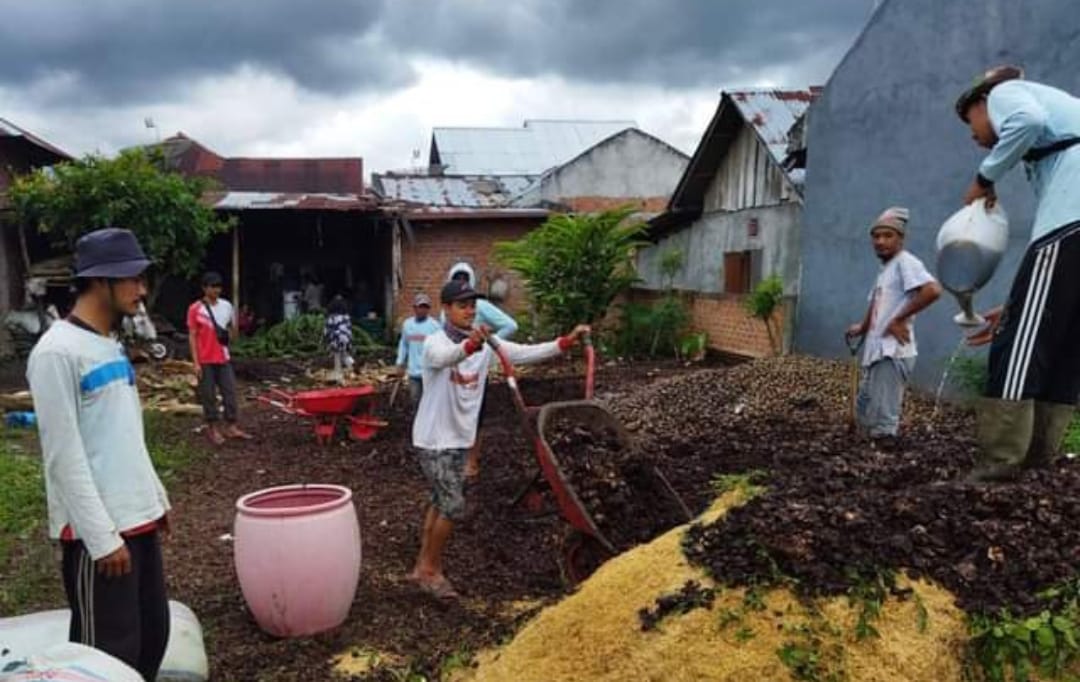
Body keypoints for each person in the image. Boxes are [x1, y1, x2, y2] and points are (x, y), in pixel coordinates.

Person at [27, 228, 172, 681]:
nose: (141, 289)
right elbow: (63, 456)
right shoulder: (56, 353)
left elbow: (123, 434)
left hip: (138, 521)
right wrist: (101, 537)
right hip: (101, 536)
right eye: (131, 278)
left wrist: (156, 498)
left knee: (153, 636)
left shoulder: (108, 344)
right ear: (99, 281)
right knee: (105, 657)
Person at [409, 279, 590, 599]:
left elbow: (524, 353)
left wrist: (565, 342)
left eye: (472, 306)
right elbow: (447, 357)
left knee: (440, 501)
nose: (469, 310)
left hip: (459, 439)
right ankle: (430, 571)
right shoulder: (434, 342)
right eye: (462, 305)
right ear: (447, 309)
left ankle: (422, 563)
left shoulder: (485, 345)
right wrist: (470, 346)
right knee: (452, 505)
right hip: (434, 439)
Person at [956, 66, 1080, 481]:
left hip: (1071, 222)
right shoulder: (1059, 141)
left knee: (1018, 344)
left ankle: (998, 463)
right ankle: (1038, 462)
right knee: (1064, 341)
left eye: (969, 119)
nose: (972, 135)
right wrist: (1017, 306)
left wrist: (983, 177)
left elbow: (1026, 121)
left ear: (981, 101)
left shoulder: (1005, 93)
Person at [845, 207, 942, 446]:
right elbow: (877, 302)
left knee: (884, 417)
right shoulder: (886, 269)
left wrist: (898, 320)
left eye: (888, 236)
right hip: (877, 351)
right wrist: (863, 326)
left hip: (892, 352)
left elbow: (932, 290)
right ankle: (863, 456)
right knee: (866, 408)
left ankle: (882, 465)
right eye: (876, 236)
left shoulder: (905, 262)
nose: (880, 241)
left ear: (901, 238)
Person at [443, 261, 518, 478]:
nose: (461, 284)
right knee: (453, 415)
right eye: (457, 279)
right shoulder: (447, 312)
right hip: (454, 371)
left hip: (475, 372)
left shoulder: (480, 307)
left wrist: (489, 347)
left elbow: (511, 326)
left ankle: (472, 461)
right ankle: (454, 459)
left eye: (465, 280)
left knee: (476, 416)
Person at [187, 272, 252, 445]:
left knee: (230, 392)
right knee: (209, 396)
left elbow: (231, 328)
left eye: (218, 287)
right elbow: (192, 336)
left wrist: (229, 335)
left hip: (223, 358)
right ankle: (213, 428)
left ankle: (231, 426)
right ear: (204, 288)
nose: (216, 290)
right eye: (212, 286)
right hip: (205, 359)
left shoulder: (227, 306)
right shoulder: (195, 309)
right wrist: (195, 362)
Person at [395, 293, 440, 405]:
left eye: (425, 307)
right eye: (420, 307)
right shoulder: (407, 325)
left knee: (429, 401)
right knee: (415, 400)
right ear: (414, 308)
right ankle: (417, 421)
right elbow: (404, 345)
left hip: (429, 372)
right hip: (414, 371)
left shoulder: (435, 326)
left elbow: (440, 348)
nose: (422, 310)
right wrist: (400, 362)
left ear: (428, 309)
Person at [324, 295, 354, 384]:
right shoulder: (346, 317)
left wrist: (327, 341)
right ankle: (350, 368)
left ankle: (339, 375)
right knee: (345, 354)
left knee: (337, 357)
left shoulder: (331, 318)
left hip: (336, 339)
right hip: (346, 339)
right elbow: (349, 329)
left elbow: (327, 331)